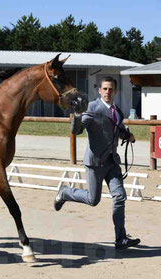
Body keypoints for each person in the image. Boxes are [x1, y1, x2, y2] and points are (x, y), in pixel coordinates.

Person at [54, 76, 140, 250]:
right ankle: (65, 193)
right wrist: (77, 115)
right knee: (93, 200)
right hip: (95, 162)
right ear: (100, 91)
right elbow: (76, 130)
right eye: (105, 89)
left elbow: (118, 129)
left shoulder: (118, 111)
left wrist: (127, 136)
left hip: (112, 162)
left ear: (115, 91)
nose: (108, 92)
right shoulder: (92, 107)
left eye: (111, 89)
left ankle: (120, 238)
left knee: (120, 197)